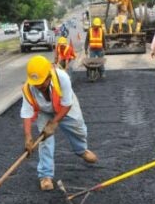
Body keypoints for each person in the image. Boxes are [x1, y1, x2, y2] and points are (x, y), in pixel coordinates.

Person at [21, 55, 98, 191]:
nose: (38, 87)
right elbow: (26, 113)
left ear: (49, 76)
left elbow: (67, 104)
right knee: (44, 140)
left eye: (41, 83)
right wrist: (28, 136)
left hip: (64, 106)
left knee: (78, 130)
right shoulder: (28, 88)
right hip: (44, 111)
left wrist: (54, 122)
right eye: (36, 84)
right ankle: (45, 175)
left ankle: (81, 150)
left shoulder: (62, 77)